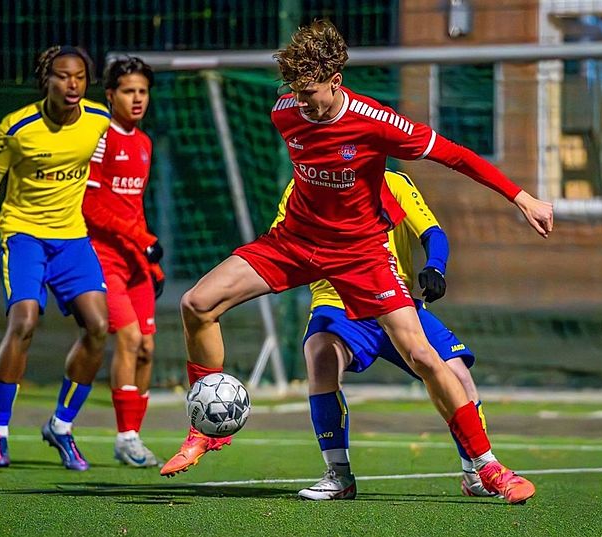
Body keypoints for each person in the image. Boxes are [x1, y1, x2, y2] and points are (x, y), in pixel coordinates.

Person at [161, 20, 552, 505]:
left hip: (360, 252)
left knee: (423, 355)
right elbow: (297, 120)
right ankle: (208, 430)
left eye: (311, 93)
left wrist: (522, 197)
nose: (302, 102)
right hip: (295, 240)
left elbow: (455, 157)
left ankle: (488, 468)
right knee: (197, 303)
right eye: (296, 92)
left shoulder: (377, 121)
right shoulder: (284, 113)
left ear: (336, 82)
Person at [280, 170, 495, 500]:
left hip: (397, 303)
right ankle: (338, 475)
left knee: (457, 374)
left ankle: (476, 471)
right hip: (338, 303)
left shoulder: (394, 182)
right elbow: (279, 241)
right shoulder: (301, 183)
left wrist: (435, 265)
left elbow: (432, 233)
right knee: (321, 354)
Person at [0, 45, 112, 471]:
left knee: (99, 327)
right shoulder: (18, 127)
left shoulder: (99, 120)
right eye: (63, 76)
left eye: (80, 76)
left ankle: (61, 426)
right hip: (24, 235)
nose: (72, 84)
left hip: (72, 239)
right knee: (24, 322)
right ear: (46, 79)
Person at [82, 56, 165, 468]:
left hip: (136, 261)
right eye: (129, 91)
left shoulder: (145, 143)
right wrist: (142, 240)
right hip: (103, 256)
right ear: (110, 95)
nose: (137, 99)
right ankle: (125, 437)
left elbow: (133, 208)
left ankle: (132, 436)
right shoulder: (102, 137)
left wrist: (151, 261)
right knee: (128, 338)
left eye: (143, 91)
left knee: (148, 348)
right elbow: (91, 206)